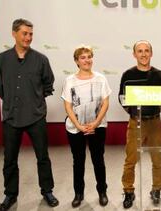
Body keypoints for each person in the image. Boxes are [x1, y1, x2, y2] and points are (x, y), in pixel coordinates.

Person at [0, 18, 59, 210]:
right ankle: (10, 195)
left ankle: (47, 191)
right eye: (24, 33)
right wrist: (15, 100)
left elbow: (48, 84)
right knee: (9, 159)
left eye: (31, 34)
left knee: (42, 157)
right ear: (14, 33)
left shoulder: (41, 59)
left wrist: (34, 99)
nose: (28, 37)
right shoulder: (1, 60)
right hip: (11, 117)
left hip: (36, 116)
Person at [118, 40, 161, 209]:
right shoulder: (127, 75)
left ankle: (156, 188)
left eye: (147, 51)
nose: (144, 54)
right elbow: (122, 98)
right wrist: (134, 113)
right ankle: (128, 191)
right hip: (136, 122)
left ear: (151, 53)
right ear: (134, 54)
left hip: (155, 121)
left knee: (157, 158)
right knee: (131, 158)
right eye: (140, 51)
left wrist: (153, 109)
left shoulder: (159, 75)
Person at [61, 45, 111, 208]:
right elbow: (68, 106)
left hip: (97, 127)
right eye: (82, 57)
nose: (87, 60)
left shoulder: (101, 78)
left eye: (89, 56)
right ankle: (78, 193)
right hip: (76, 128)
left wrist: (95, 123)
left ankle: (102, 192)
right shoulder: (70, 81)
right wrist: (79, 126)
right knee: (78, 161)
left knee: (98, 160)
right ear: (76, 61)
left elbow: (105, 103)